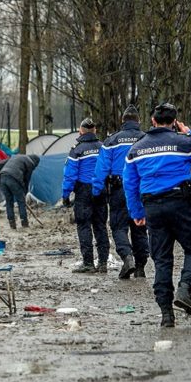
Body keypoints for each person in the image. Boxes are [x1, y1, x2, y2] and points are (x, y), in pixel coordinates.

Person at [123, 103, 191, 328]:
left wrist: (136, 212)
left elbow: (130, 183)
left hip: (152, 209)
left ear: (153, 121)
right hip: (179, 203)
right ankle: (185, 289)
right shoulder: (184, 142)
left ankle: (167, 315)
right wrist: (190, 132)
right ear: (174, 122)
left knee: (162, 260)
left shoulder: (136, 149)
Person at [92, 105, 149, 279]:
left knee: (118, 226)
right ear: (138, 121)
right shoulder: (146, 139)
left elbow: (101, 168)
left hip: (120, 189)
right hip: (141, 188)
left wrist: (96, 191)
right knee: (140, 228)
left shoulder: (112, 141)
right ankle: (140, 267)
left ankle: (127, 257)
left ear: (122, 121)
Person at [62, 118, 110, 273]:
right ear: (94, 131)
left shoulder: (76, 150)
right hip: (101, 189)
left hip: (83, 191)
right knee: (101, 226)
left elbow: (70, 175)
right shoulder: (103, 147)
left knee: (84, 226)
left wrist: (66, 194)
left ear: (80, 131)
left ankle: (88, 263)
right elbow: (108, 168)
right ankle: (103, 263)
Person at [0, 154, 40, 229]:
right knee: (21, 202)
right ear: (35, 162)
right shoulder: (30, 163)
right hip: (13, 178)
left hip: (2, 176)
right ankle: (24, 223)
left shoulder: (17, 156)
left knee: (9, 202)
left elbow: (0, 163)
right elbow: (27, 179)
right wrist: (24, 193)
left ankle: (12, 224)